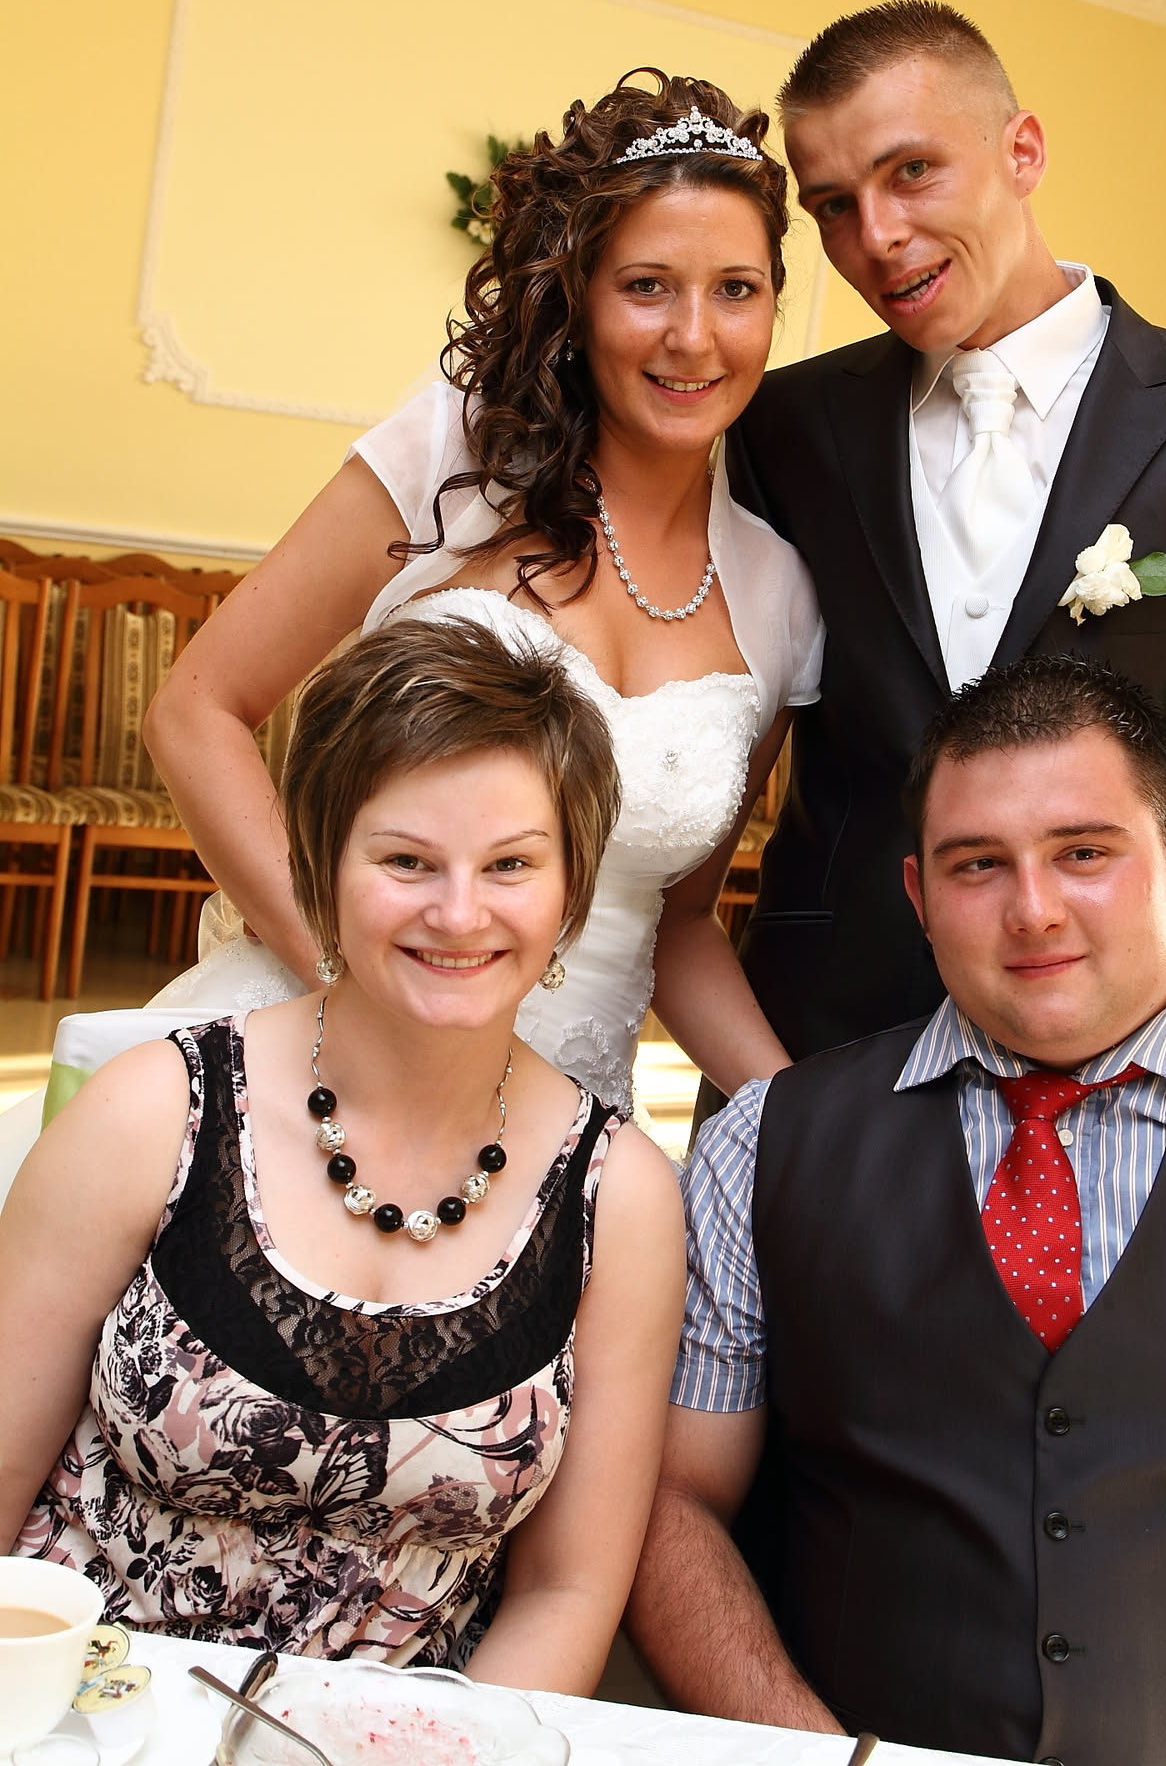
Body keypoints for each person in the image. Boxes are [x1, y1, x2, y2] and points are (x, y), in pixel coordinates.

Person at [628, 657, 1166, 1766]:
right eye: (977, 865)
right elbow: (669, 1501)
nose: (1034, 910)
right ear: (918, 898)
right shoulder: (762, 1148)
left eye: (1085, 853)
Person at [3, 615, 685, 1682]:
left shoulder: (621, 1196)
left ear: (571, 891)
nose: (459, 913)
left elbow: (568, 1592)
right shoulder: (152, 1114)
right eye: (407, 860)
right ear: (323, 867)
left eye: (510, 864)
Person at [138, 70, 821, 1112]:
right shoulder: (459, 457)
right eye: (647, 286)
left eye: (736, 289)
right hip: (320, 1050)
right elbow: (195, 712)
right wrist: (358, 992)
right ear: (577, 298)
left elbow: (678, 927)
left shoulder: (779, 592)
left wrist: (799, 1117)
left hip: (557, 1107)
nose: (695, 336)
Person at [713, 0, 1166, 1068]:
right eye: (833, 206)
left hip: (1116, 1051)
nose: (877, 237)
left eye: (913, 171)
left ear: (1023, 152)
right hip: (820, 1041)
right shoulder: (782, 426)